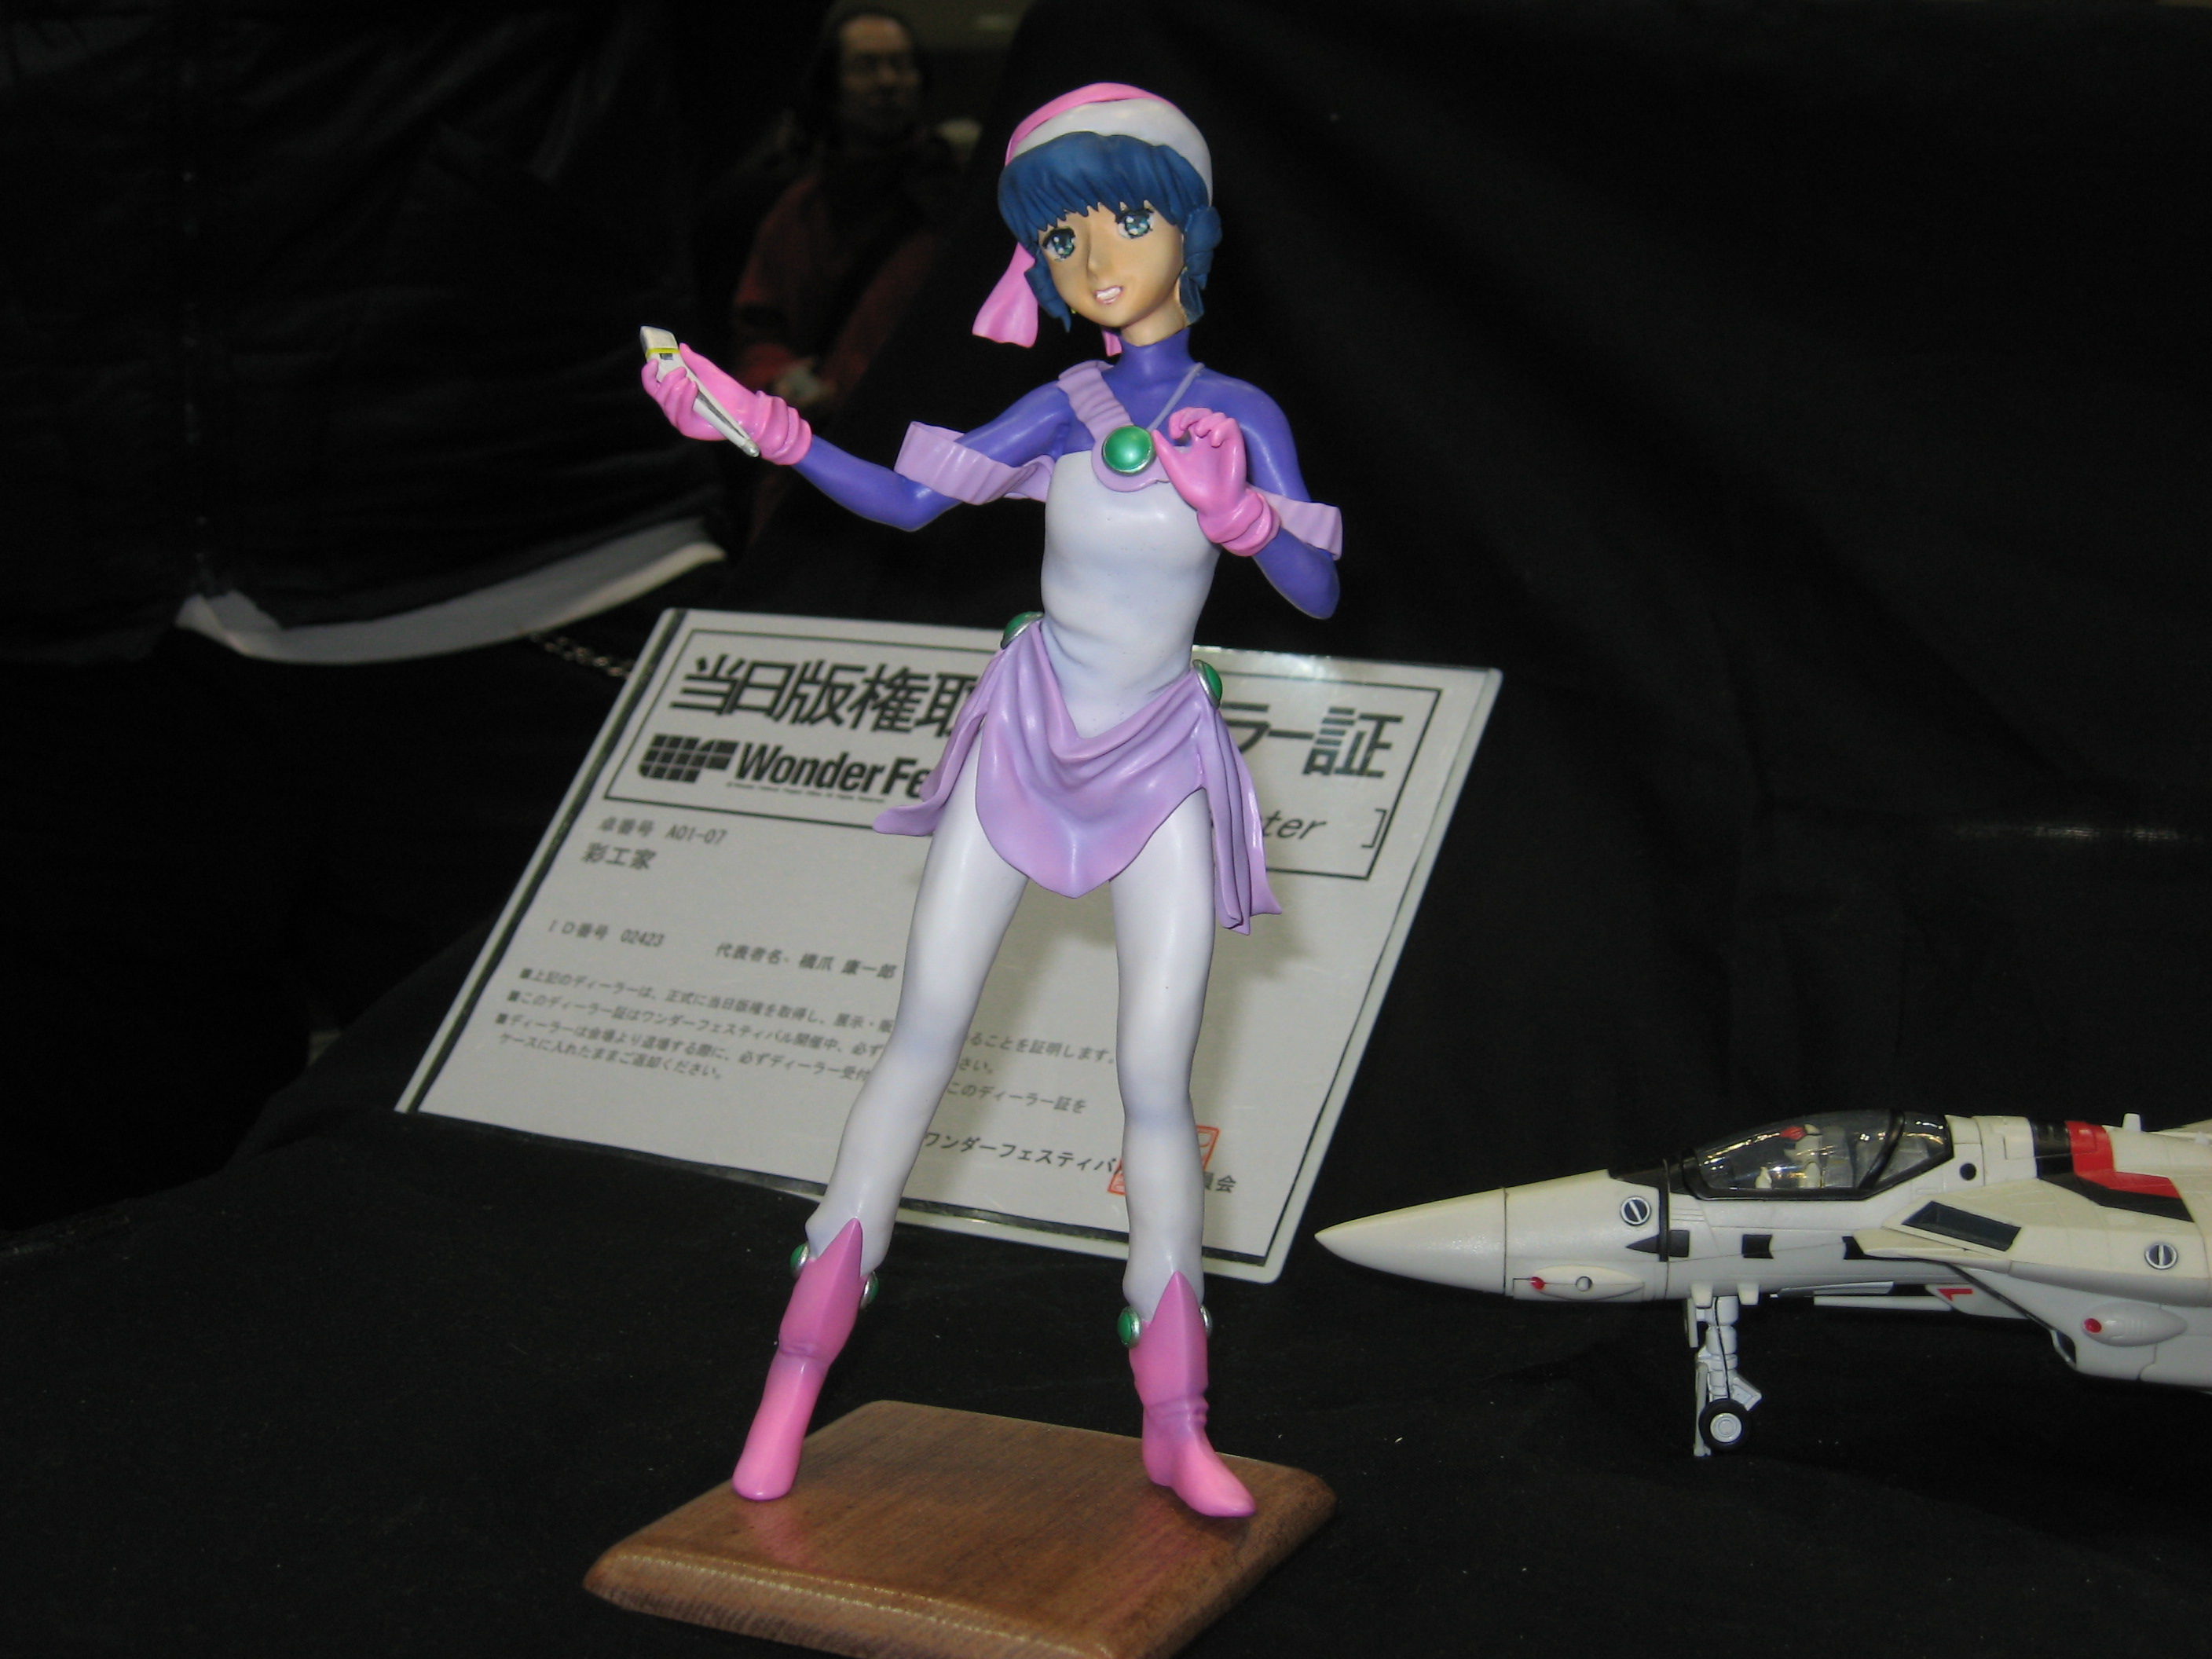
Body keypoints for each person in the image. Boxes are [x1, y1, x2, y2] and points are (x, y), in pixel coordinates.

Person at [646, 84, 1341, 1517]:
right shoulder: (1064, 407)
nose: (1098, 259)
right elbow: (914, 502)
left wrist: (1245, 517)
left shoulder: (1242, 414)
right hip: (1025, 736)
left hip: (1158, 755)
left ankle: (1177, 1423)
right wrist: (770, 433)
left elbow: (1319, 588)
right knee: (921, 1037)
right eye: (1065, 237)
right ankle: (787, 1391)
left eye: (1127, 219)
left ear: (1189, 228)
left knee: (1155, 1081)